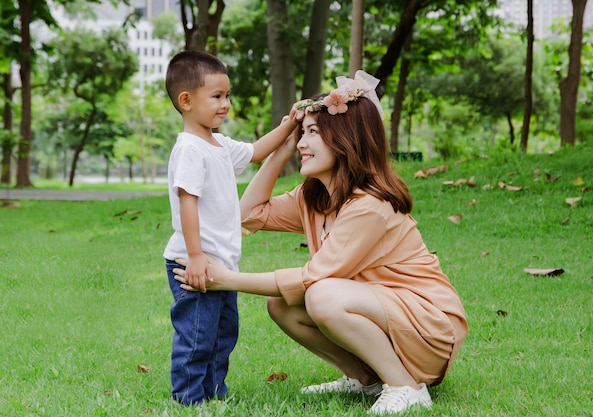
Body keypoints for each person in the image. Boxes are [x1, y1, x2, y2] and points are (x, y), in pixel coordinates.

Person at [173, 71, 468, 414]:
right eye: (302, 133)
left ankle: (406, 386)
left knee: (322, 295)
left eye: (312, 133)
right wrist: (281, 148)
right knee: (281, 306)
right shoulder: (315, 198)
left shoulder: (370, 206)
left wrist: (228, 280)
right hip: (384, 315)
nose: (301, 142)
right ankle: (365, 379)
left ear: (345, 140)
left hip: (428, 328)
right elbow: (247, 214)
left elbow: (314, 277)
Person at [163, 50, 299, 405]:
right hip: (193, 264)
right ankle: (189, 398)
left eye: (227, 95)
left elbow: (256, 151)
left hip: (221, 263)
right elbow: (187, 203)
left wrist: (288, 126)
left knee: (224, 333)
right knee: (197, 335)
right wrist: (194, 256)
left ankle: (214, 392)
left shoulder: (219, 144)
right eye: (217, 96)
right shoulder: (190, 149)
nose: (226, 104)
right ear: (186, 100)